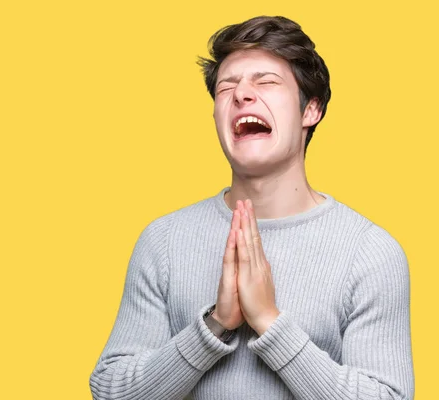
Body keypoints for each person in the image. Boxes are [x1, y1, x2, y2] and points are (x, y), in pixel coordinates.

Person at [89, 15, 414, 400]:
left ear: (311, 109)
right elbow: (110, 392)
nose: (241, 94)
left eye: (266, 82)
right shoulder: (163, 241)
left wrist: (269, 324)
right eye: (227, 87)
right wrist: (214, 327)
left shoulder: (370, 254)